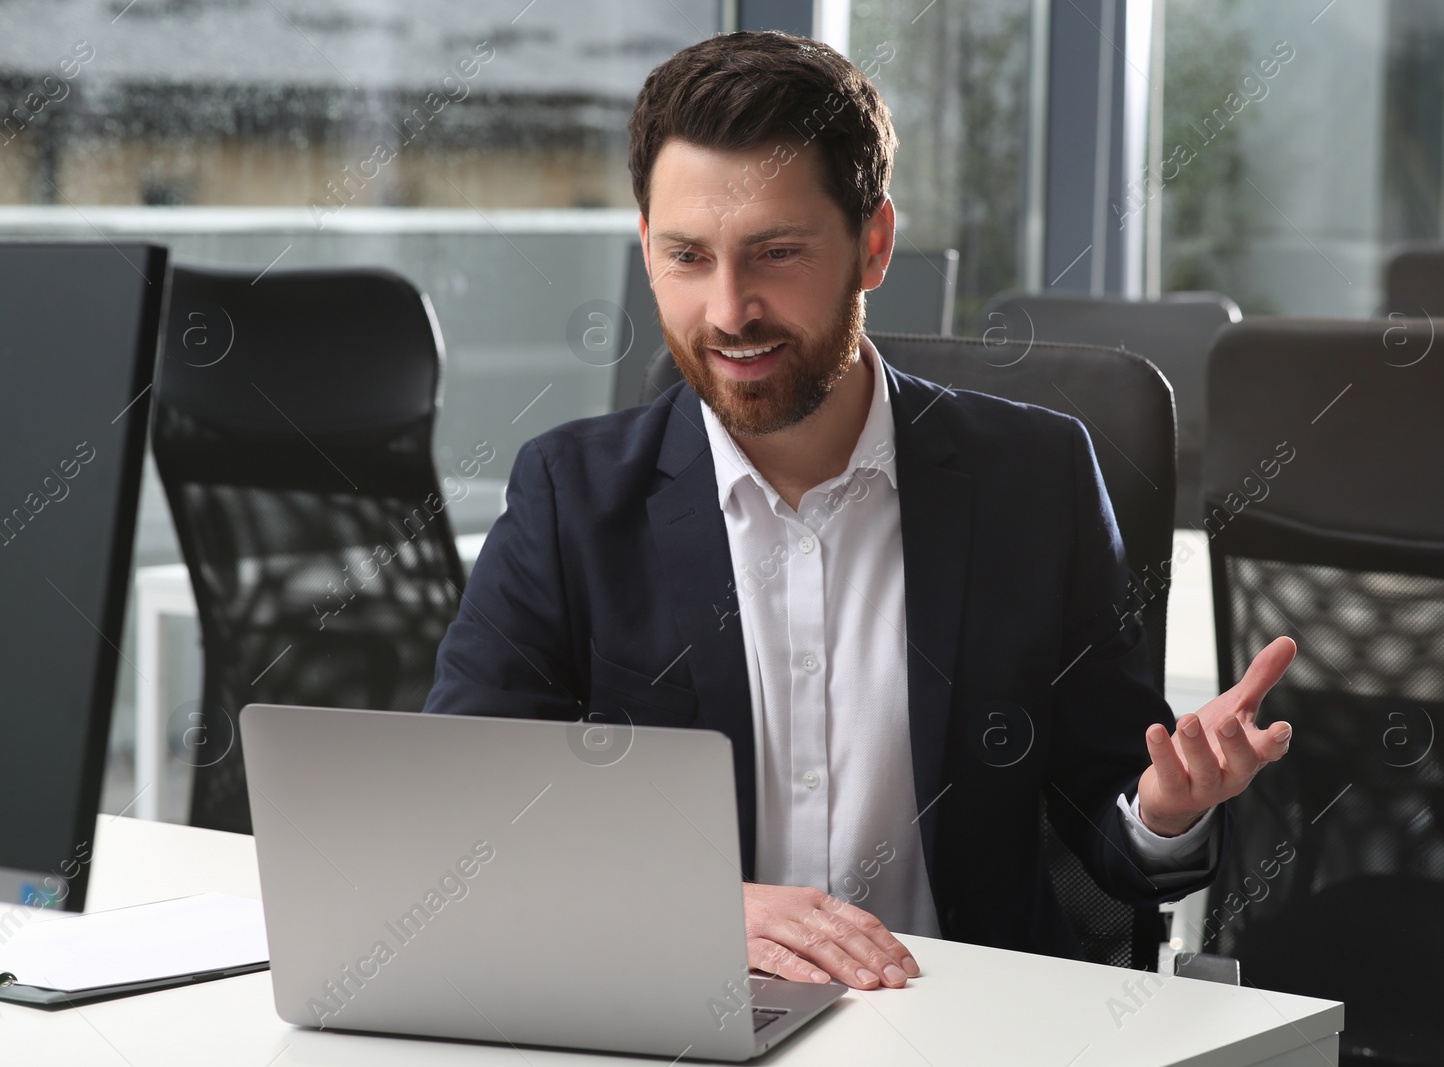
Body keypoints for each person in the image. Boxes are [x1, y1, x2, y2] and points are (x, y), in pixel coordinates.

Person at [423, 30, 1295, 993]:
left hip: (959, 1021)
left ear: (873, 245)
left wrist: (1165, 810)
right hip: (681, 1015)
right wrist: (695, 902)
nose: (727, 310)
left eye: (776, 253)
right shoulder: (571, 497)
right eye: (687, 257)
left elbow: (1110, 808)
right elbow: (472, 818)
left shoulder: (1034, 479)